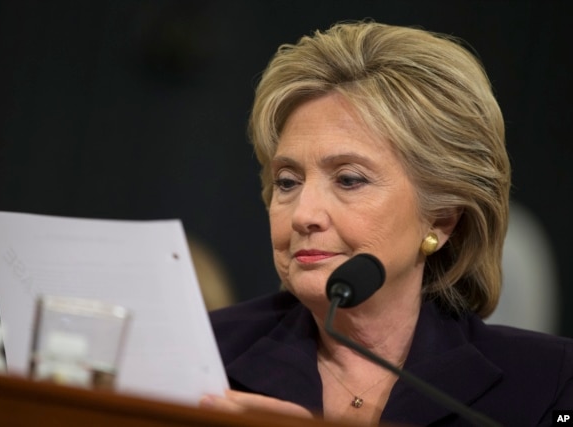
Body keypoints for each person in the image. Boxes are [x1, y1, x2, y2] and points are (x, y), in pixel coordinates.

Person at [199, 20, 573, 426]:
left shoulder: (549, 382)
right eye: (287, 182)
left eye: (348, 179)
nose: (304, 215)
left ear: (442, 219)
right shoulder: (202, 352)